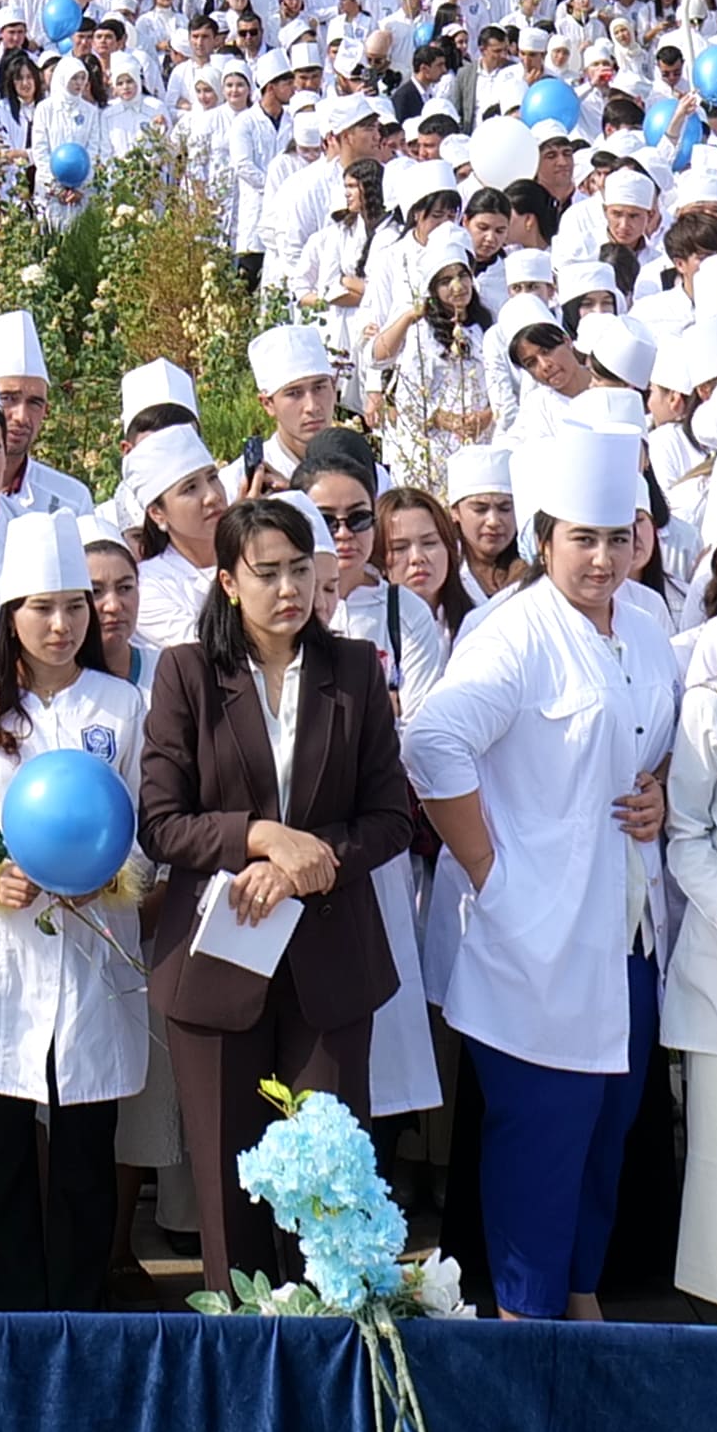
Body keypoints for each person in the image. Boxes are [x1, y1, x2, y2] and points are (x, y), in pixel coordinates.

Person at [403, 428, 683, 1319]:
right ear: (541, 538)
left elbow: (652, 737)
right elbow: (433, 741)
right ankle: (527, 1320)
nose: (601, 560)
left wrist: (661, 794)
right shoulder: (513, 632)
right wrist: (491, 870)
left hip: (630, 928)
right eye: (580, 540)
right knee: (540, 1142)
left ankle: (583, 1295)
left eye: (616, 538)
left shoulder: (644, 621)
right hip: (538, 935)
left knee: (609, 1134)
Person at [146, 492, 420, 1302]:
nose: (288, 589)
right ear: (228, 580)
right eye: (266, 572)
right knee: (231, 1182)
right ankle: (240, 1351)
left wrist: (311, 858)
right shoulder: (188, 672)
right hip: (221, 959)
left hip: (332, 960)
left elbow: (392, 817)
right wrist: (261, 838)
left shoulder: (354, 671)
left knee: (329, 1173)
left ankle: (334, 1339)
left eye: (301, 569)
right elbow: (161, 822)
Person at [0, 510, 148, 1308]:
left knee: (86, 1136)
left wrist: (113, 875)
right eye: (40, 608)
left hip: (92, 942)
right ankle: (2, 1307)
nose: (60, 625)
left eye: (75, 605)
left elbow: (145, 820)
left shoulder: (118, 706)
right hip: (2, 945)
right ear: (8, 616)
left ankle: (78, 1305)